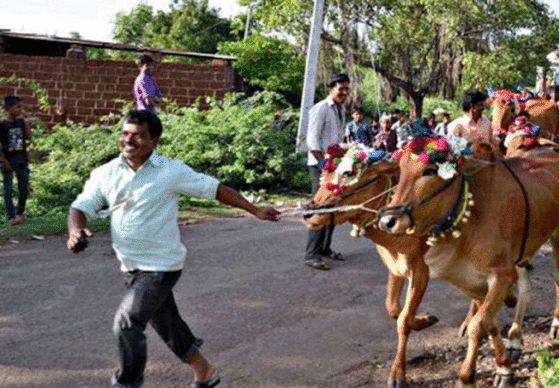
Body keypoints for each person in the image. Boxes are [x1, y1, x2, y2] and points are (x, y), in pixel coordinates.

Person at [66, 110, 280, 388]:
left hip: (161, 266)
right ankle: (205, 372)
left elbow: (216, 189)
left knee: (127, 323)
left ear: (154, 140)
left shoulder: (170, 171)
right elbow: (80, 207)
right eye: (125, 134)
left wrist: (255, 210)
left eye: (138, 136)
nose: (129, 141)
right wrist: (74, 229)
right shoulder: (105, 173)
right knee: (166, 323)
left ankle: (126, 383)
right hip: (130, 265)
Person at [305, 73, 350, 270]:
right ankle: (312, 254)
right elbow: (312, 141)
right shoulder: (320, 108)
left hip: (336, 165)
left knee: (333, 206)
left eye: (347, 88)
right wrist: (323, 165)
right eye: (341, 88)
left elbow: (336, 139)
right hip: (320, 164)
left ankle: (325, 248)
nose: (345, 92)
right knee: (321, 207)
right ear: (330, 89)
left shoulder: (341, 109)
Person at [0, 96, 31, 225]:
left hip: (21, 158)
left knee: (24, 187)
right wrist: (3, 161)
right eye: (17, 107)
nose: (19, 109)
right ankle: (11, 217)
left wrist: (27, 122)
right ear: (9, 108)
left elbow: (28, 138)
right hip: (7, 159)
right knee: (8, 188)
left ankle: (20, 213)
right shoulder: (2, 125)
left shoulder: (21, 122)